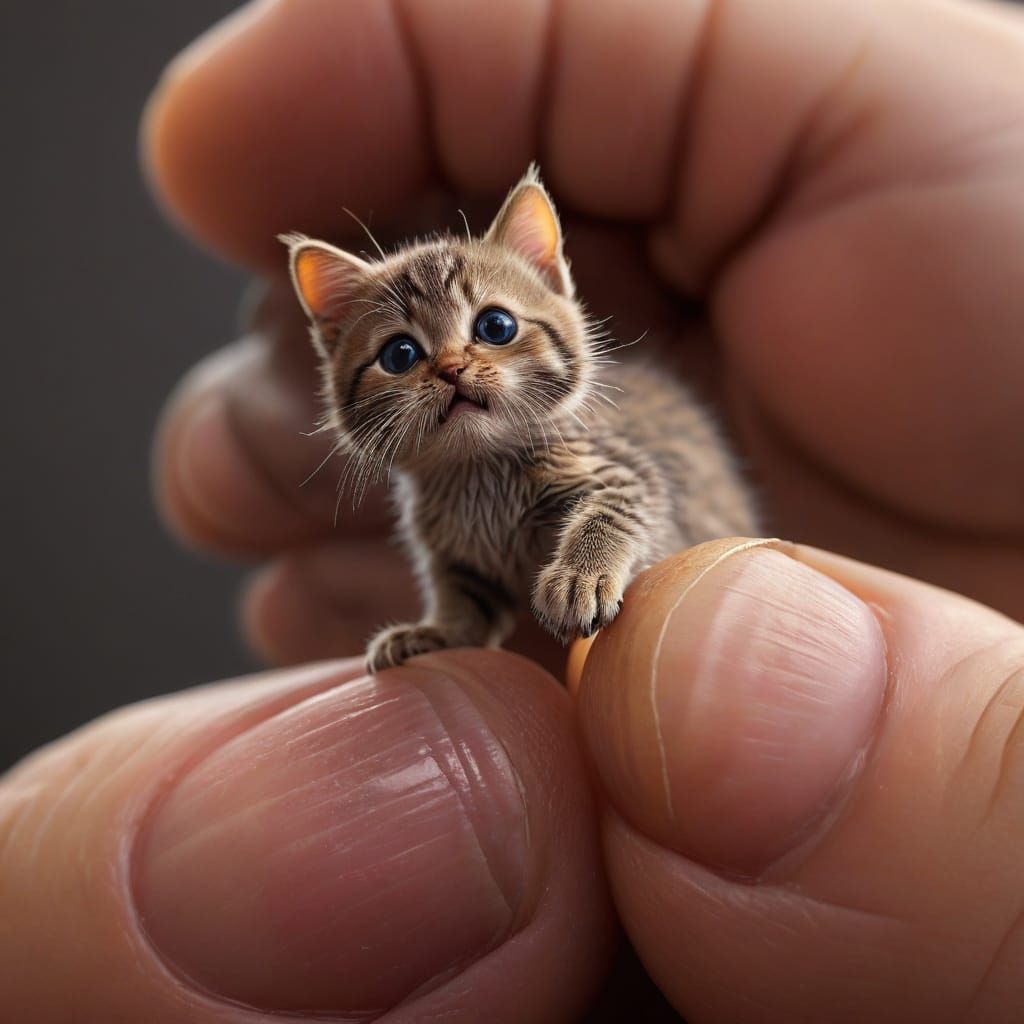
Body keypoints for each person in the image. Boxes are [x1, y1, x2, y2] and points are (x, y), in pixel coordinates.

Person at [5, 0, 1024, 1019]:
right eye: (399, 354)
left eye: (493, 325)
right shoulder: (434, 500)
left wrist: (590, 561)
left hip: (706, 591)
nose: (451, 362)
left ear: (552, 286)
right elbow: (467, 571)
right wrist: (457, 623)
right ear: (339, 367)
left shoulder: (576, 450)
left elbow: (627, 501)